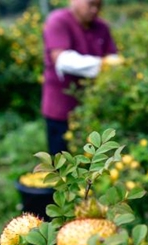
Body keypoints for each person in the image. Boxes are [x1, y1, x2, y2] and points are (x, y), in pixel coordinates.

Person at [42, 0, 120, 155]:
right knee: (63, 164)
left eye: (98, 6)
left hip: (92, 109)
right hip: (62, 110)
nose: (94, 10)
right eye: (90, 4)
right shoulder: (58, 21)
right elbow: (61, 59)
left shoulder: (101, 27)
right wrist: (102, 65)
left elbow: (113, 57)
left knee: (94, 161)